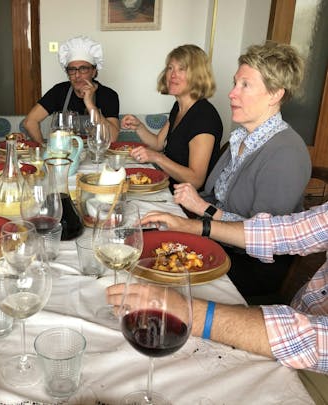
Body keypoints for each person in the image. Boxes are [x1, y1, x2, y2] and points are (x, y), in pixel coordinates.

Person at [111, 206, 328, 381]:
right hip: (289, 325)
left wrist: (191, 314)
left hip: (314, 375)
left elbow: (316, 341)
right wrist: (194, 226)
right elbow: (289, 231)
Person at [172, 41, 311, 298]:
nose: (232, 93)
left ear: (275, 94)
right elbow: (214, 196)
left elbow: (263, 238)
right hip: (218, 245)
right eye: (235, 83)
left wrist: (203, 210)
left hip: (249, 270)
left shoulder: (286, 153)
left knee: (163, 288)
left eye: (245, 85)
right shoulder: (242, 136)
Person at [122, 44, 223, 190]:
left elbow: (196, 180)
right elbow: (158, 143)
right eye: (170, 68)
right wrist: (138, 127)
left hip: (187, 201)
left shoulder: (204, 117)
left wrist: (157, 158)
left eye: (181, 69)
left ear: (197, 75)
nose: (172, 75)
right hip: (168, 186)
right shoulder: (179, 107)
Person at [24, 35, 120, 143]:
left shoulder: (108, 95)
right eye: (72, 69)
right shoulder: (59, 91)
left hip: (96, 155)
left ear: (93, 71)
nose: (77, 75)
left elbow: (112, 137)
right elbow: (30, 122)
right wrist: (42, 148)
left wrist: (89, 104)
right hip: (65, 155)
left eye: (83, 69)